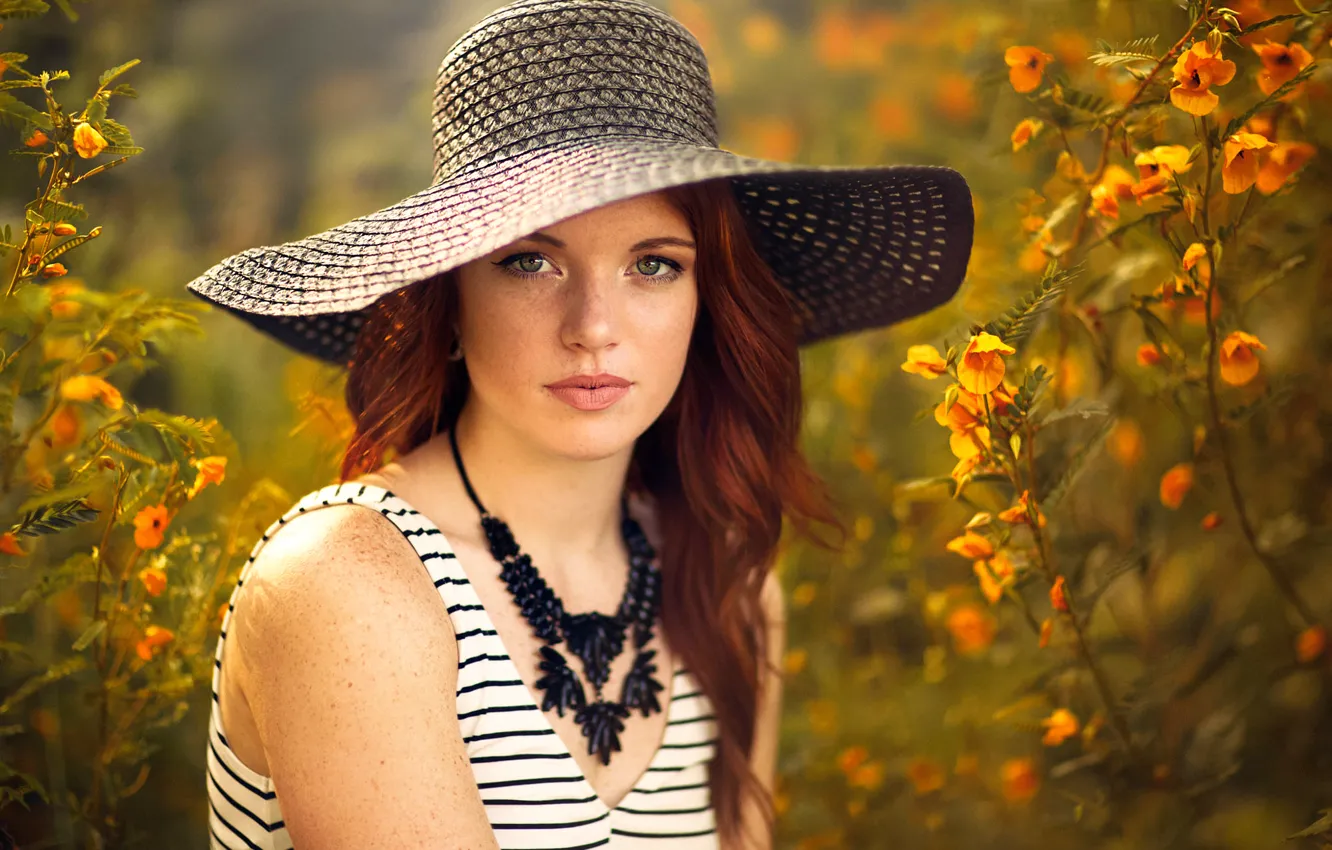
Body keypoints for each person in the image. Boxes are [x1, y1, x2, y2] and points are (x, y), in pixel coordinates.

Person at [185, 0, 974, 847]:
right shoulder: (347, 584)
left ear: (709, 305)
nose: (593, 326)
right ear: (448, 300)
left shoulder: (729, 584)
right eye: (530, 261)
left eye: (654, 266)